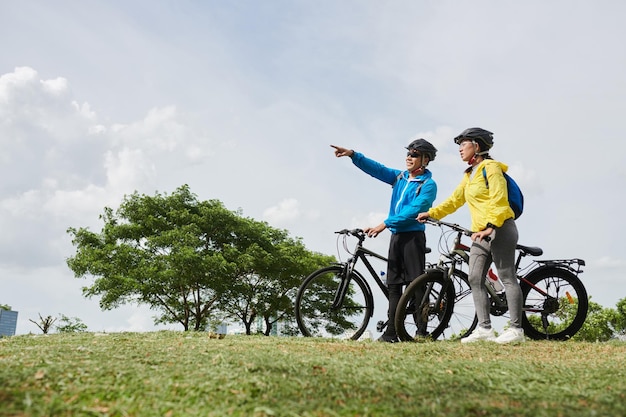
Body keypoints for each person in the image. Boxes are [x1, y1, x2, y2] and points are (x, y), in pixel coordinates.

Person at [417, 127, 524, 344]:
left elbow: (499, 199)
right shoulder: (469, 174)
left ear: (476, 145)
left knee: (507, 277)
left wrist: (491, 225)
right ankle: (484, 329)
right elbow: (455, 200)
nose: (459, 149)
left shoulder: (491, 168)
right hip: (480, 234)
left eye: (463, 144)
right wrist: (432, 213)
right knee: (475, 278)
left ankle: (516, 330)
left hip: (501, 228)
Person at [331, 139, 437, 342]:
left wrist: (385, 223)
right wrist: (353, 154)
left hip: (413, 237)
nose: (409, 157)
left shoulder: (428, 185)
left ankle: (421, 330)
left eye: (414, 154)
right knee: (394, 285)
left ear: (425, 159)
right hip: (396, 237)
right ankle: (391, 333)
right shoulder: (400, 177)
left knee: (415, 285)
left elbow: (414, 210)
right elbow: (377, 169)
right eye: (408, 153)